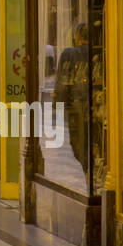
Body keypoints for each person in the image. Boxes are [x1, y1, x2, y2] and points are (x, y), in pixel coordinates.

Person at [53, 22, 90, 179]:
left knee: (78, 143)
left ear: (78, 36)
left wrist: (58, 103)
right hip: (94, 106)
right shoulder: (99, 52)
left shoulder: (69, 54)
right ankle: (90, 173)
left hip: (76, 107)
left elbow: (62, 79)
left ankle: (89, 172)